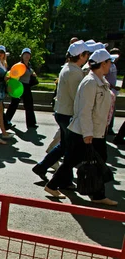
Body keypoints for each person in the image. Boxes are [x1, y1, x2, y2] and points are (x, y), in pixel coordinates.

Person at [44, 49, 117, 206]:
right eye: (109, 62)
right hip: (84, 132)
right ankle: (97, 194)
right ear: (102, 64)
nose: (111, 65)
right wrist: (88, 134)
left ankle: (53, 186)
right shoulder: (90, 83)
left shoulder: (100, 81)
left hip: (93, 131)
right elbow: (85, 110)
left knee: (81, 160)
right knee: (87, 160)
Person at [32, 40, 92, 182]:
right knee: (70, 149)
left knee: (65, 146)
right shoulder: (74, 73)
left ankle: (42, 167)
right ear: (81, 55)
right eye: (86, 54)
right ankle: (63, 180)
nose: (88, 57)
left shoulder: (69, 68)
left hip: (62, 112)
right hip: (67, 114)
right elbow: (76, 97)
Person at [4, 48, 38, 130]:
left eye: (28, 54)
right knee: (13, 105)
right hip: (19, 86)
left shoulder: (29, 66)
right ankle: (6, 122)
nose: (26, 56)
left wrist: (33, 74)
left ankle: (31, 123)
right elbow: (12, 75)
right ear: (22, 56)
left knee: (29, 105)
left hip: (27, 87)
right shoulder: (19, 65)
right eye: (25, 54)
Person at [106, 48, 120, 135]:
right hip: (109, 90)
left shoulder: (114, 65)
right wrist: (113, 86)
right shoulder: (108, 65)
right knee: (108, 111)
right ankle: (108, 128)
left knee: (112, 111)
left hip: (113, 91)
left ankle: (110, 127)